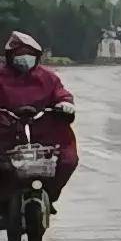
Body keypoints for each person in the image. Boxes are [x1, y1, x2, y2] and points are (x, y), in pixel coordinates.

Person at [0, 32, 76, 211]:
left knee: (67, 160)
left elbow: (61, 94)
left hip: (44, 135)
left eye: (29, 54)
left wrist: (65, 104)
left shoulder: (48, 78)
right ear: (10, 57)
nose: (24, 59)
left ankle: (49, 195)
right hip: (6, 134)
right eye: (19, 54)